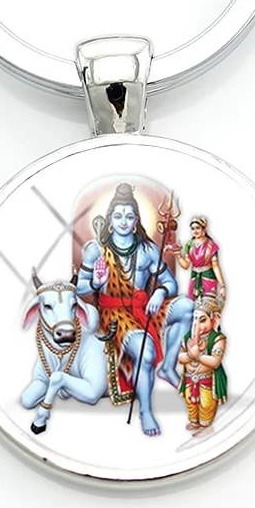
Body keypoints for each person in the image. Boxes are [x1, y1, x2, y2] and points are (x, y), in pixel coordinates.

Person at [76, 183, 193, 437]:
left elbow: (170, 283)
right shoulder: (97, 250)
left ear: (136, 220)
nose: (123, 222)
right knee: (146, 352)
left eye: (129, 217)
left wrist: (160, 292)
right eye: (118, 216)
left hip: (144, 307)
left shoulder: (147, 249)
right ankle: (146, 411)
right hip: (115, 314)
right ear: (110, 220)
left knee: (187, 306)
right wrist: (95, 282)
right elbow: (79, 287)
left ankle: (168, 367)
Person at [178, 295, 228, 430]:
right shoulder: (188, 338)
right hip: (190, 378)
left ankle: (205, 426)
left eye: (202, 320)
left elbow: (215, 362)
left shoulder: (217, 339)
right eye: (195, 319)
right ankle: (194, 422)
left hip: (207, 379)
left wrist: (198, 355)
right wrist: (190, 355)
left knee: (206, 403)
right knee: (190, 401)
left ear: (214, 319)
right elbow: (180, 358)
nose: (197, 324)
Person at [178, 216, 226, 300]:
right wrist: (178, 254)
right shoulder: (189, 245)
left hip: (208, 279)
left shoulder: (211, 245)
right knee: (193, 302)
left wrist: (222, 285)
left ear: (203, 229)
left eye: (197, 228)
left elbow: (215, 266)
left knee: (207, 303)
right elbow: (186, 266)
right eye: (193, 229)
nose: (195, 231)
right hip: (194, 279)